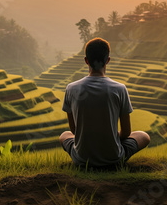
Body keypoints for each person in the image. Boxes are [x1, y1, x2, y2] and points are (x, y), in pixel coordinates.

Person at [59, 37, 150, 167]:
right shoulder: (120, 89)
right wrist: (110, 138)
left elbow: (74, 130)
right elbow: (126, 132)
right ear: (107, 60)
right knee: (143, 136)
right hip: (114, 159)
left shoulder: (71, 88)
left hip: (81, 159)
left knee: (64, 135)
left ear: (86, 61)